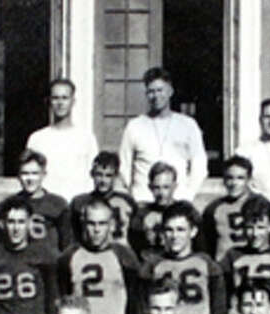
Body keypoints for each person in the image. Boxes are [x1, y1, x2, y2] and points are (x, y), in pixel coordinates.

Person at [57, 197, 141, 314]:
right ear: (83, 224)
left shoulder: (124, 256)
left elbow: (135, 302)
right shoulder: (69, 256)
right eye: (91, 223)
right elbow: (63, 296)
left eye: (102, 223)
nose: (96, 230)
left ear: (111, 225)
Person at [141, 201, 226, 314]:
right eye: (169, 230)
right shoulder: (152, 266)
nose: (174, 236)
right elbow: (141, 310)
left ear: (193, 231)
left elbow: (219, 308)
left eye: (180, 229)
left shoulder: (207, 264)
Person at [119, 67, 207, 203]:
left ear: (170, 91)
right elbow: (124, 165)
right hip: (144, 200)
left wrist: (188, 195)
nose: (156, 96)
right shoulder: (135, 126)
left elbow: (199, 164)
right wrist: (133, 195)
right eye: (151, 92)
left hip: (177, 201)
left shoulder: (188, 125)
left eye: (160, 90)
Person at [25, 78, 99, 201]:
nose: (60, 103)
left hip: (76, 205)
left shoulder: (86, 137)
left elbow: (93, 175)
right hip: (47, 205)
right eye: (55, 98)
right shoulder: (37, 138)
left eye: (65, 98)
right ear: (49, 101)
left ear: (73, 101)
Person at [3, 149, 72, 254]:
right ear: (18, 176)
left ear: (43, 175)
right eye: (25, 173)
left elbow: (67, 244)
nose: (30, 179)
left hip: (49, 264)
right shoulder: (9, 204)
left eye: (34, 173)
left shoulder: (58, 204)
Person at [201, 155, 268, 261]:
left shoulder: (263, 204)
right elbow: (206, 245)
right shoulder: (213, 209)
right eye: (229, 178)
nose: (234, 183)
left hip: (255, 265)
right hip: (224, 267)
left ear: (249, 179)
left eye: (240, 178)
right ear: (223, 180)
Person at [69, 151, 137, 247]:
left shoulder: (126, 201)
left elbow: (134, 234)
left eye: (108, 175)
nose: (103, 180)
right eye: (99, 174)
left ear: (116, 176)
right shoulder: (79, 202)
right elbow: (73, 236)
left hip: (119, 250)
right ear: (92, 174)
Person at [127, 161, 178, 256]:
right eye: (156, 188)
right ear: (150, 187)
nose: (161, 193)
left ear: (174, 186)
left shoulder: (184, 211)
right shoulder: (141, 214)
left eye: (166, 187)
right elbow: (134, 245)